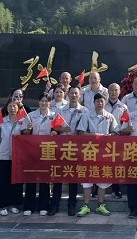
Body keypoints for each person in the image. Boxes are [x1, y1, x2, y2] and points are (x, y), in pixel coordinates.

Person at [76, 93, 119, 217]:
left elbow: (116, 132)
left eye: (102, 101)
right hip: (89, 151)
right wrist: (94, 136)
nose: (100, 103)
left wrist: (109, 136)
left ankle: (101, 205)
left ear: (105, 102)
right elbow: (81, 132)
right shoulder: (86, 116)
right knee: (87, 179)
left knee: (103, 178)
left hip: (105, 153)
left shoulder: (110, 116)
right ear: (94, 103)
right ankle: (86, 205)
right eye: (97, 101)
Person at [51, 84, 88, 216]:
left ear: (80, 95)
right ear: (68, 94)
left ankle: (71, 204)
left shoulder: (84, 111)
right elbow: (54, 127)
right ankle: (54, 204)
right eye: (71, 93)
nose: (73, 95)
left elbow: (86, 129)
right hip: (61, 147)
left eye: (76, 93)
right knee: (58, 176)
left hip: (76, 148)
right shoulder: (60, 110)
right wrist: (62, 129)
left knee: (73, 177)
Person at [20, 93, 57, 216]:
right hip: (32, 150)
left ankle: (43, 205)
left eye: (46, 101)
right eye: (42, 101)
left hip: (47, 150)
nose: (44, 103)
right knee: (31, 177)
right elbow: (24, 133)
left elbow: (59, 130)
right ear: (38, 102)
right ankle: (29, 206)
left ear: (50, 103)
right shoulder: (31, 116)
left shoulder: (54, 116)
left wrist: (55, 133)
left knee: (44, 179)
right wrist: (28, 129)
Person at [105, 82, 128, 199]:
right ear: (108, 92)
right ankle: (98, 188)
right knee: (101, 163)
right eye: (111, 90)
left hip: (118, 139)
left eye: (116, 90)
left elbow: (125, 123)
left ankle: (116, 188)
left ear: (119, 92)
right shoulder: (103, 105)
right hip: (104, 139)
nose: (113, 92)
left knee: (116, 164)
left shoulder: (123, 107)